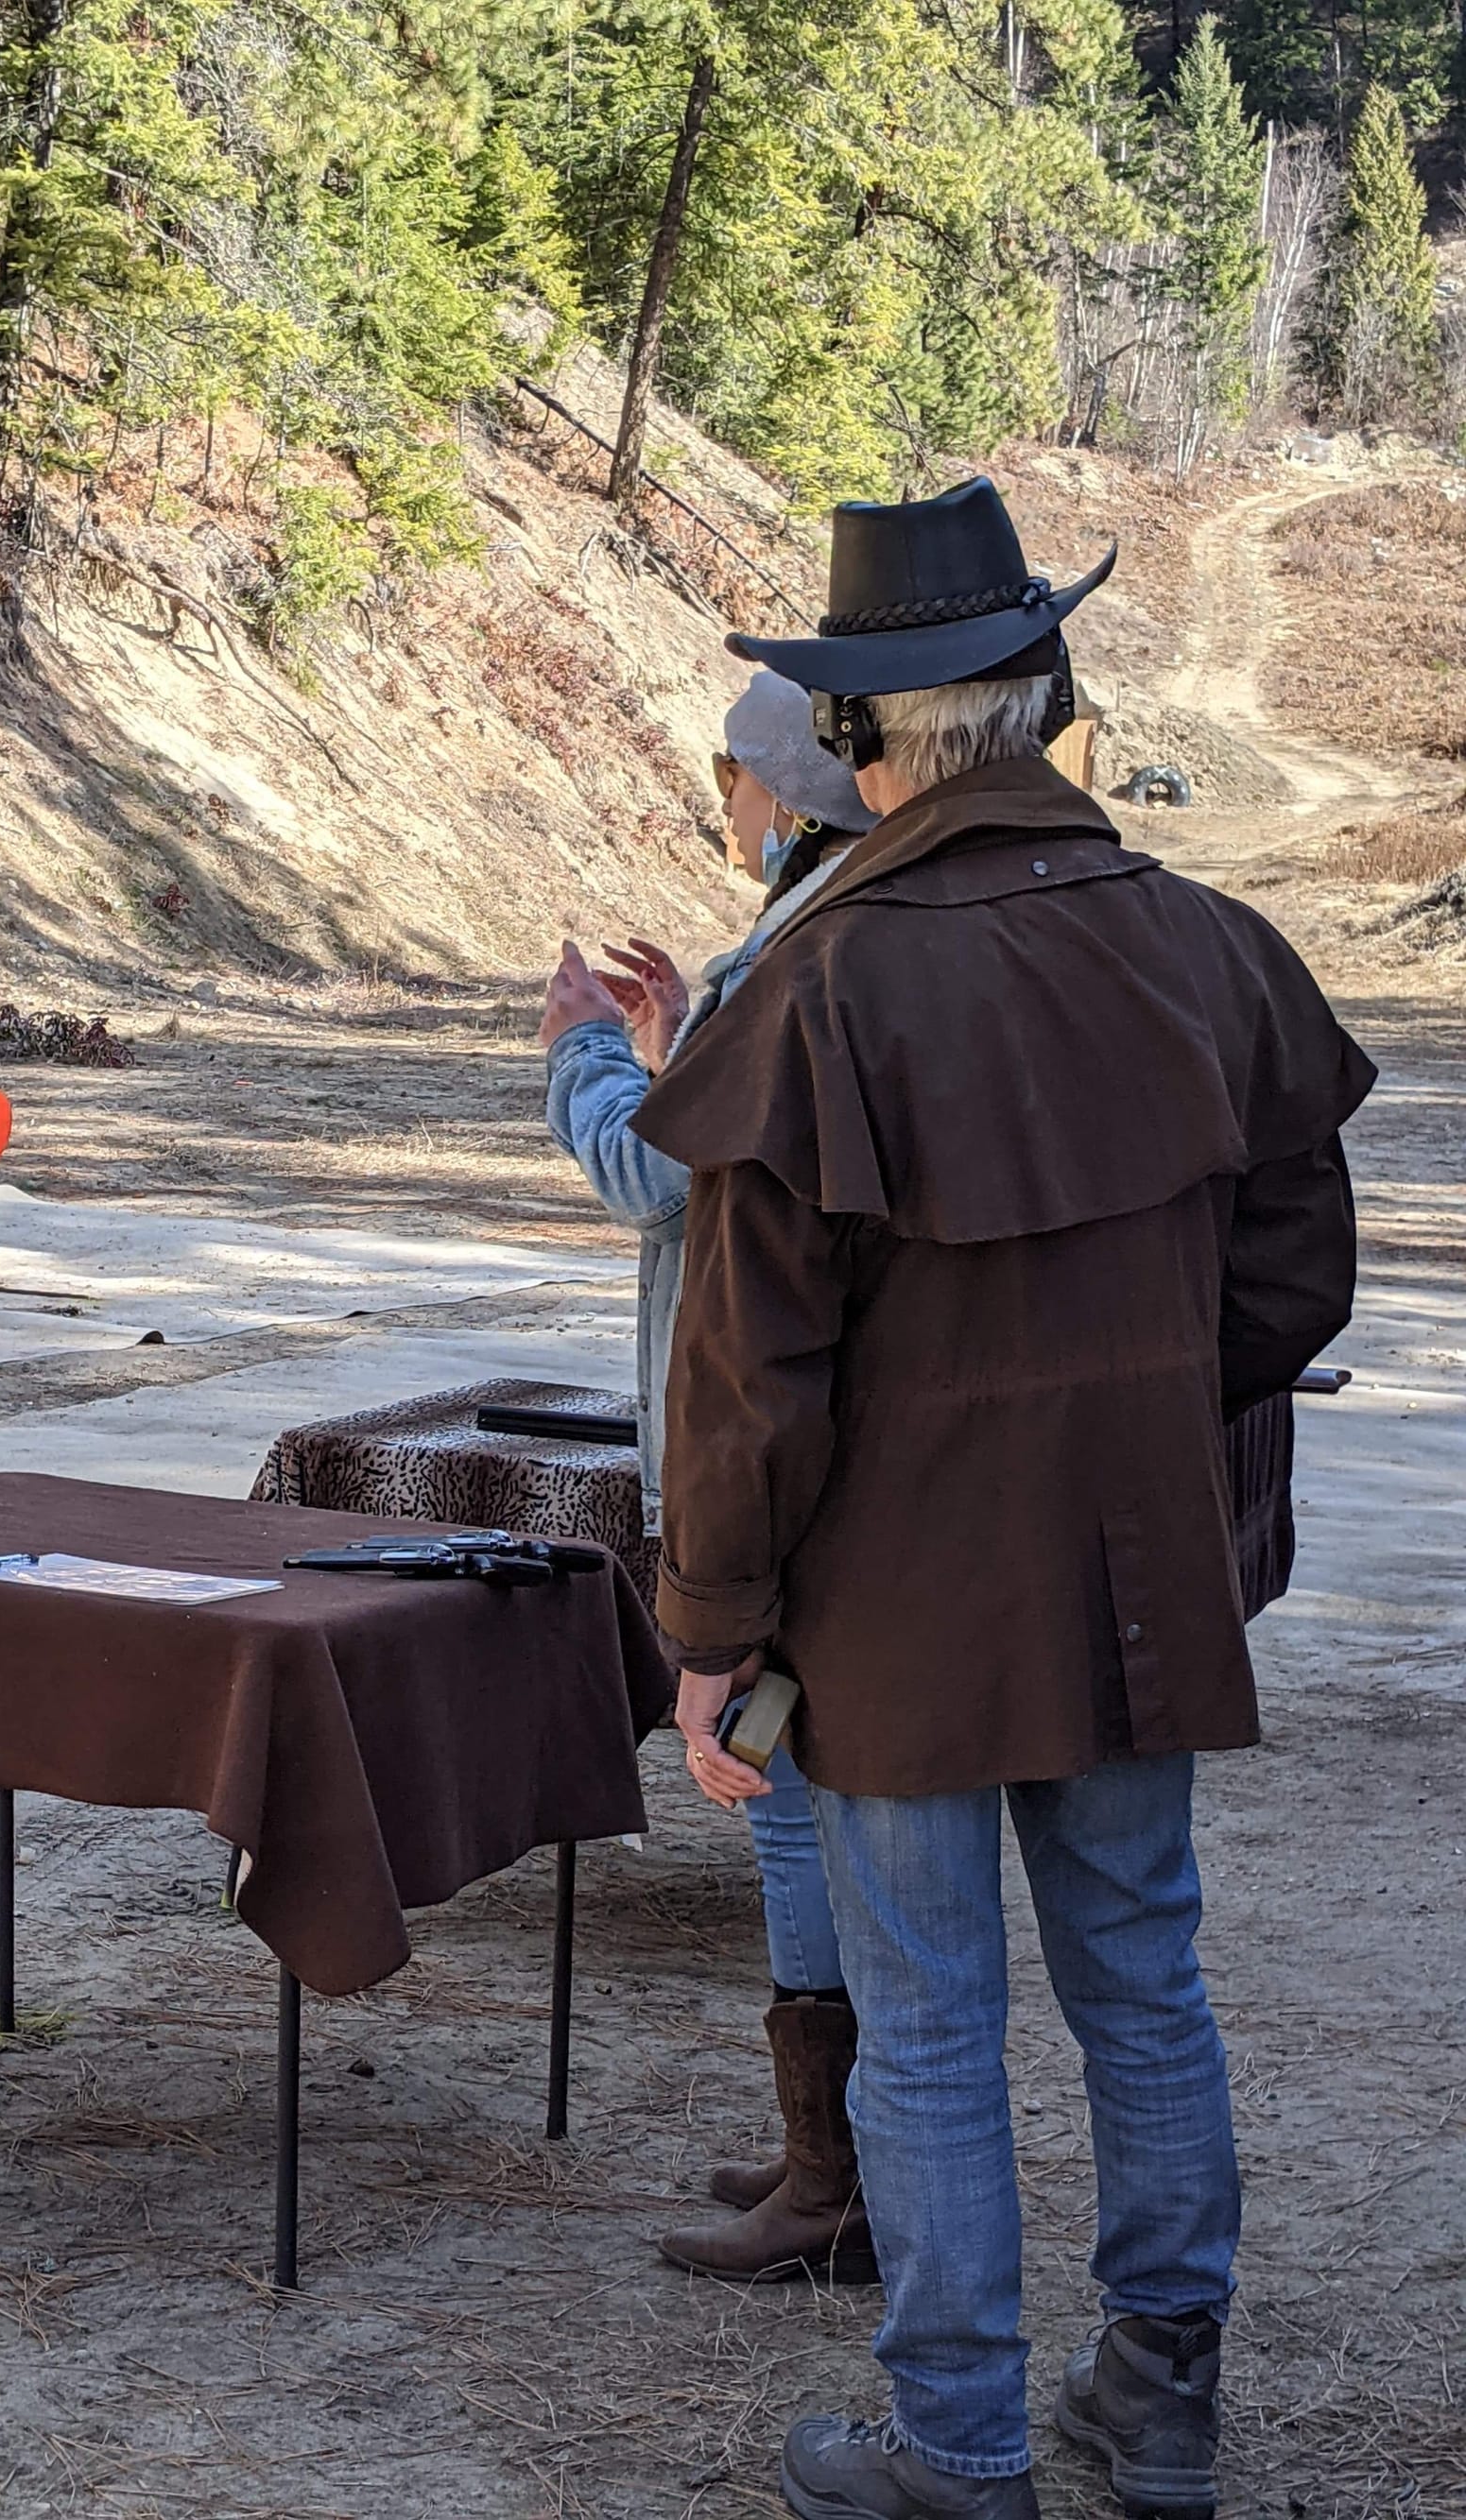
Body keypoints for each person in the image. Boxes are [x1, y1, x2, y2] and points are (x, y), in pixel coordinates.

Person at [632, 477, 1371, 2520]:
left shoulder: (823, 985)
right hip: (1133, 1576)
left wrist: (709, 1629)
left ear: (868, 740)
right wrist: (1129, 1417)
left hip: (896, 1606)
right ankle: (1157, 2403)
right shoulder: (1210, 948)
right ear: (1045, 706)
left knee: (934, 2013)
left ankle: (961, 2441)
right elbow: (1295, 1273)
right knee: (1141, 1972)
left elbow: (746, 1374)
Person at [538, 670, 877, 2284]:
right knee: (804, 1809)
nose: (720, 803)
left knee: (788, 1804)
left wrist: (585, 1061)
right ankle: (843, 2151)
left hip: (757, 1453)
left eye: (728, 775)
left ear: (781, 789)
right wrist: (684, 1042)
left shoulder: (800, 951)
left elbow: (648, 1182)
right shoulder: (831, 937)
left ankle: (840, 2177)